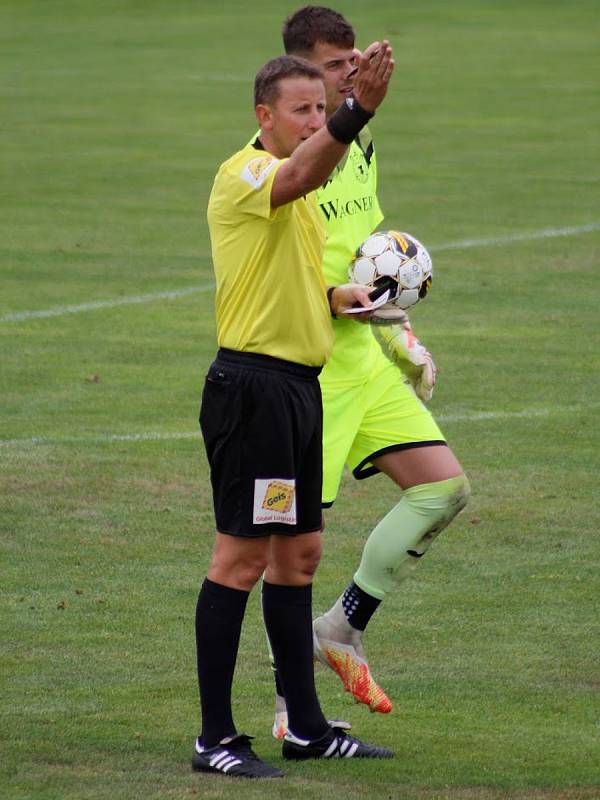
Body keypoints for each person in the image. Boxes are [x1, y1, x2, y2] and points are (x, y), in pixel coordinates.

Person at [193, 49, 396, 779]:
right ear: (264, 117)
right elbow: (305, 171)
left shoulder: (299, 192)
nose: (315, 122)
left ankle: (305, 729)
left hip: (295, 395)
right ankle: (214, 738)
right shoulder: (245, 174)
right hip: (252, 396)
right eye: (303, 111)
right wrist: (357, 110)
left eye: (322, 109)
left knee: (298, 554)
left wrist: (337, 298)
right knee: (242, 559)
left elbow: (290, 280)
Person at [270, 6, 471, 737]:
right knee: (296, 553)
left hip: (362, 361)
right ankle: (293, 715)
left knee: (443, 487)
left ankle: (343, 628)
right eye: (335, 65)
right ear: (298, 70)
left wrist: (399, 336)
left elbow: (367, 250)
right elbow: (270, 275)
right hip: (307, 371)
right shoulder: (283, 161)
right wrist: (333, 302)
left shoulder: (359, 145)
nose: (351, 75)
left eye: (355, 62)